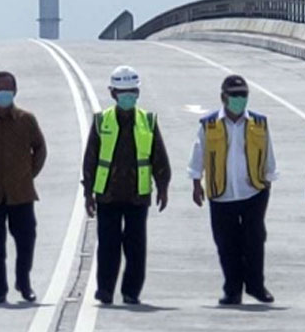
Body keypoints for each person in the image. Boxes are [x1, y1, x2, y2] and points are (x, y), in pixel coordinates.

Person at [81, 65, 171, 305]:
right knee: (108, 246)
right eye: (123, 92)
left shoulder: (148, 121)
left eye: (132, 92)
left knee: (136, 248)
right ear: (113, 93)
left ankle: (131, 292)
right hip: (107, 196)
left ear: (138, 93)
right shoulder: (102, 121)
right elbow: (90, 158)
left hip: (137, 195)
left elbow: (158, 156)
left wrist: (163, 187)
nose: (128, 96)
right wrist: (88, 193)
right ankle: (105, 290)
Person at [189, 75, 278, 305]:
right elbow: (199, 153)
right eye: (235, 96)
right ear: (223, 97)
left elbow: (268, 151)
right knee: (227, 245)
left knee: (255, 241)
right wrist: (196, 182)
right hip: (221, 192)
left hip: (254, 191)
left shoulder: (259, 123)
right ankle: (232, 290)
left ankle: (256, 287)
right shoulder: (209, 125)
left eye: (243, 95)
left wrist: (269, 178)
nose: (239, 100)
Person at [0, 71, 47, 304]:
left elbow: (40, 149)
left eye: (7, 89)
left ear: (15, 91)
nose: (3, 93)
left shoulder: (26, 120)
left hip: (21, 194)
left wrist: (28, 174)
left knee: (26, 241)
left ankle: (23, 283)